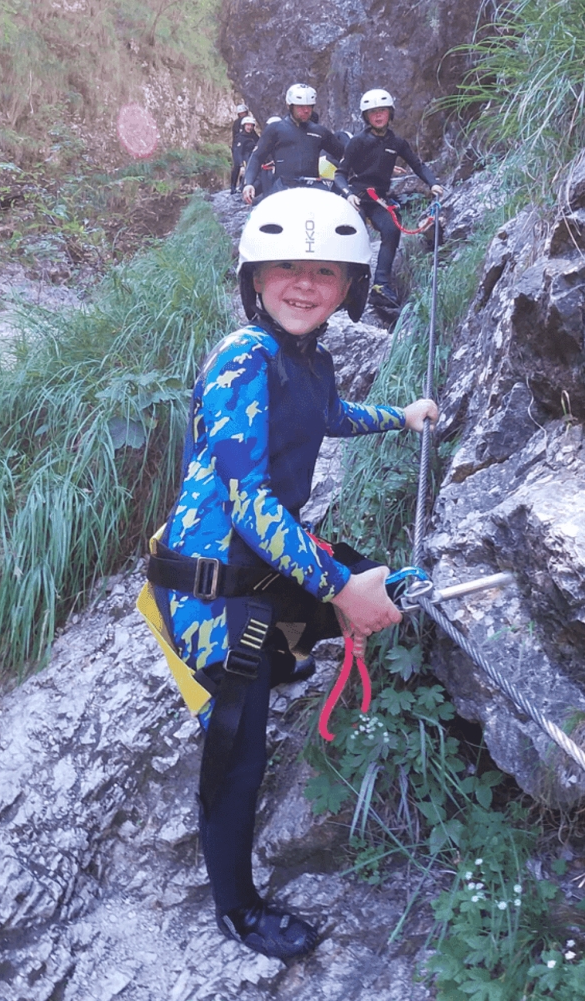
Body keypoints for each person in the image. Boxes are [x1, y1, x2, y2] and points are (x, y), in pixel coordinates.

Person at [139, 189, 438, 960]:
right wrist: (338, 588)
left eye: (324, 272)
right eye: (285, 268)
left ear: (350, 287)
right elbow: (249, 502)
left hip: (257, 564)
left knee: (374, 582)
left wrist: (399, 416)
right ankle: (237, 909)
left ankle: (289, 647)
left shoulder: (308, 358)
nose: (303, 284)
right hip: (209, 582)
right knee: (239, 743)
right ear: (255, 277)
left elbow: (331, 416)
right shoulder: (244, 358)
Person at [333, 88, 444, 316]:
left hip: (378, 198)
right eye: (373, 112)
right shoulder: (358, 142)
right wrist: (347, 194)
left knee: (392, 230)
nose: (378, 116)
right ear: (366, 116)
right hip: (357, 196)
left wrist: (432, 183)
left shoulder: (397, 142)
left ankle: (380, 285)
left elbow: (417, 164)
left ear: (390, 113)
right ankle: (345, 287)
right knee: (354, 235)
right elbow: (340, 173)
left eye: (382, 111)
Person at [241, 84, 348, 205]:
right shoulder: (275, 129)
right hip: (282, 187)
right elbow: (257, 157)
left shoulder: (320, 132)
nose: (306, 110)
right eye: (301, 106)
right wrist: (248, 183)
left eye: (309, 106)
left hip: (312, 188)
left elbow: (345, 156)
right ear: (290, 106)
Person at [230, 116, 259, 194]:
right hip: (242, 156)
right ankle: (233, 187)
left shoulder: (254, 136)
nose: (249, 127)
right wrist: (241, 164)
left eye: (251, 125)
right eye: (247, 125)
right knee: (237, 167)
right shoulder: (240, 137)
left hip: (252, 156)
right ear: (244, 126)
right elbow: (238, 151)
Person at [229, 104, 251, 193]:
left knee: (241, 166)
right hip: (239, 147)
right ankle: (235, 186)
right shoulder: (239, 123)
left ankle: (238, 186)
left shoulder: (239, 123)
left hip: (241, 147)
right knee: (239, 166)